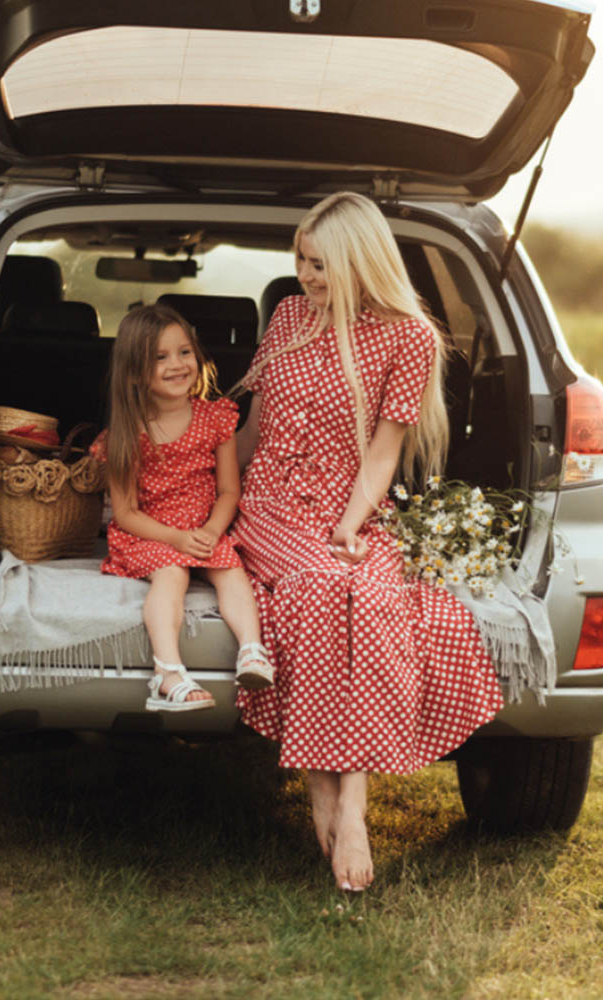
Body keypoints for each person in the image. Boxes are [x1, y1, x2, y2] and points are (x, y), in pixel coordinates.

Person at [232, 192, 504, 892]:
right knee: (323, 585)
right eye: (301, 260)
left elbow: (384, 453)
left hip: (350, 505)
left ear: (360, 261)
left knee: (374, 596)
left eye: (320, 264)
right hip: (270, 503)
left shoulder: (409, 338)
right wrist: (207, 493)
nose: (305, 276)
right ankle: (326, 789)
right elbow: (253, 427)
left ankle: (347, 798)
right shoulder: (289, 316)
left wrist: (350, 524)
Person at [91, 303, 273, 712]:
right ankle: (168, 671)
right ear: (134, 372)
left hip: (204, 528)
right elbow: (126, 514)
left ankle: (251, 651)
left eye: (184, 352)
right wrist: (176, 539)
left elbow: (229, 491)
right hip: (150, 533)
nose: (177, 364)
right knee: (172, 574)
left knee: (231, 570)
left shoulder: (215, 418)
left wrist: (211, 531)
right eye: (160, 357)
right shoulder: (127, 432)